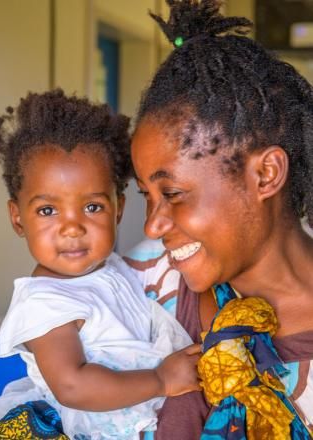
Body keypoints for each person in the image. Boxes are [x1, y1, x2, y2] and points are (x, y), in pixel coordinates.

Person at [127, 0, 313, 438]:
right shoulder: (140, 290)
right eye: (147, 197)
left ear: (265, 174)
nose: (152, 225)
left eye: (171, 193)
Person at [0, 89, 200, 440]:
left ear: (119, 209)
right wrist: (160, 380)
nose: (72, 227)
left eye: (93, 207)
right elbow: (72, 384)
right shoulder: (43, 302)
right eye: (48, 210)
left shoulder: (115, 268)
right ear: (18, 219)